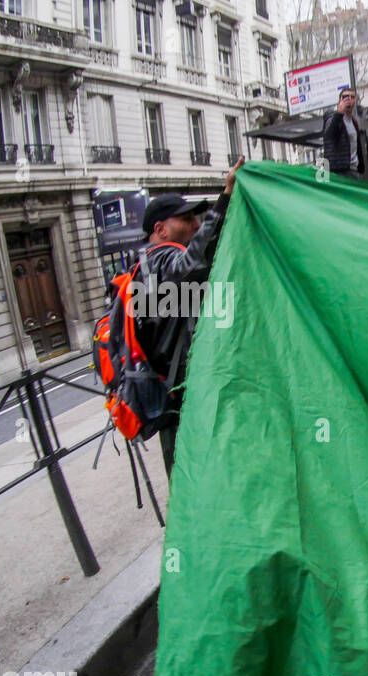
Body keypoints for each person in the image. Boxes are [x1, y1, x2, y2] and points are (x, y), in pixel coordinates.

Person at [136, 158, 245, 473]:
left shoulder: (145, 266)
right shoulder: (158, 262)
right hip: (178, 397)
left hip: (175, 394)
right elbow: (194, 264)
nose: (196, 225)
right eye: (186, 220)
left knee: (193, 472)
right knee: (190, 475)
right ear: (161, 229)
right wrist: (225, 198)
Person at [321, 89, 368, 179]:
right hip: (340, 171)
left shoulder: (353, 121)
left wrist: (360, 167)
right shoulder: (332, 117)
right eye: (345, 97)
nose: (349, 99)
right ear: (340, 101)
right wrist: (339, 113)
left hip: (354, 169)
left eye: (352, 97)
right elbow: (329, 136)